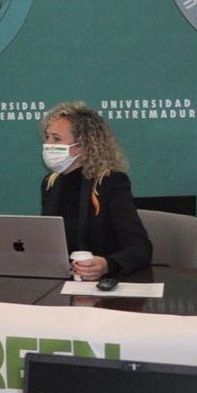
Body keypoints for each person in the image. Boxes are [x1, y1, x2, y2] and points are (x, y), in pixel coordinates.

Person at [40, 102, 152, 280]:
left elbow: (140, 249)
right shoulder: (50, 183)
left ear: (83, 144)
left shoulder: (110, 182)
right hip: (63, 280)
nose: (47, 145)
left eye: (56, 139)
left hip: (102, 285)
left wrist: (106, 264)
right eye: (46, 137)